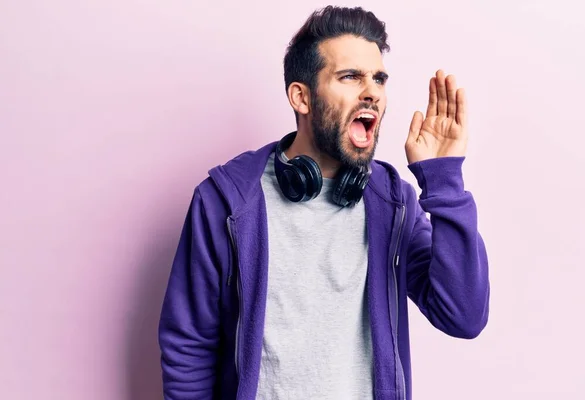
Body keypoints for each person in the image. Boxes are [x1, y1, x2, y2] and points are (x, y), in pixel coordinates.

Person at [158, 5, 490, 400]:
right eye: (350, 77)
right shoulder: (227, 201)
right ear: (302, 97)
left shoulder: (393, 203)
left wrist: (444, 182)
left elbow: (463, 316)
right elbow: (188, 345)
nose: (371, 91)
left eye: (378, 79)